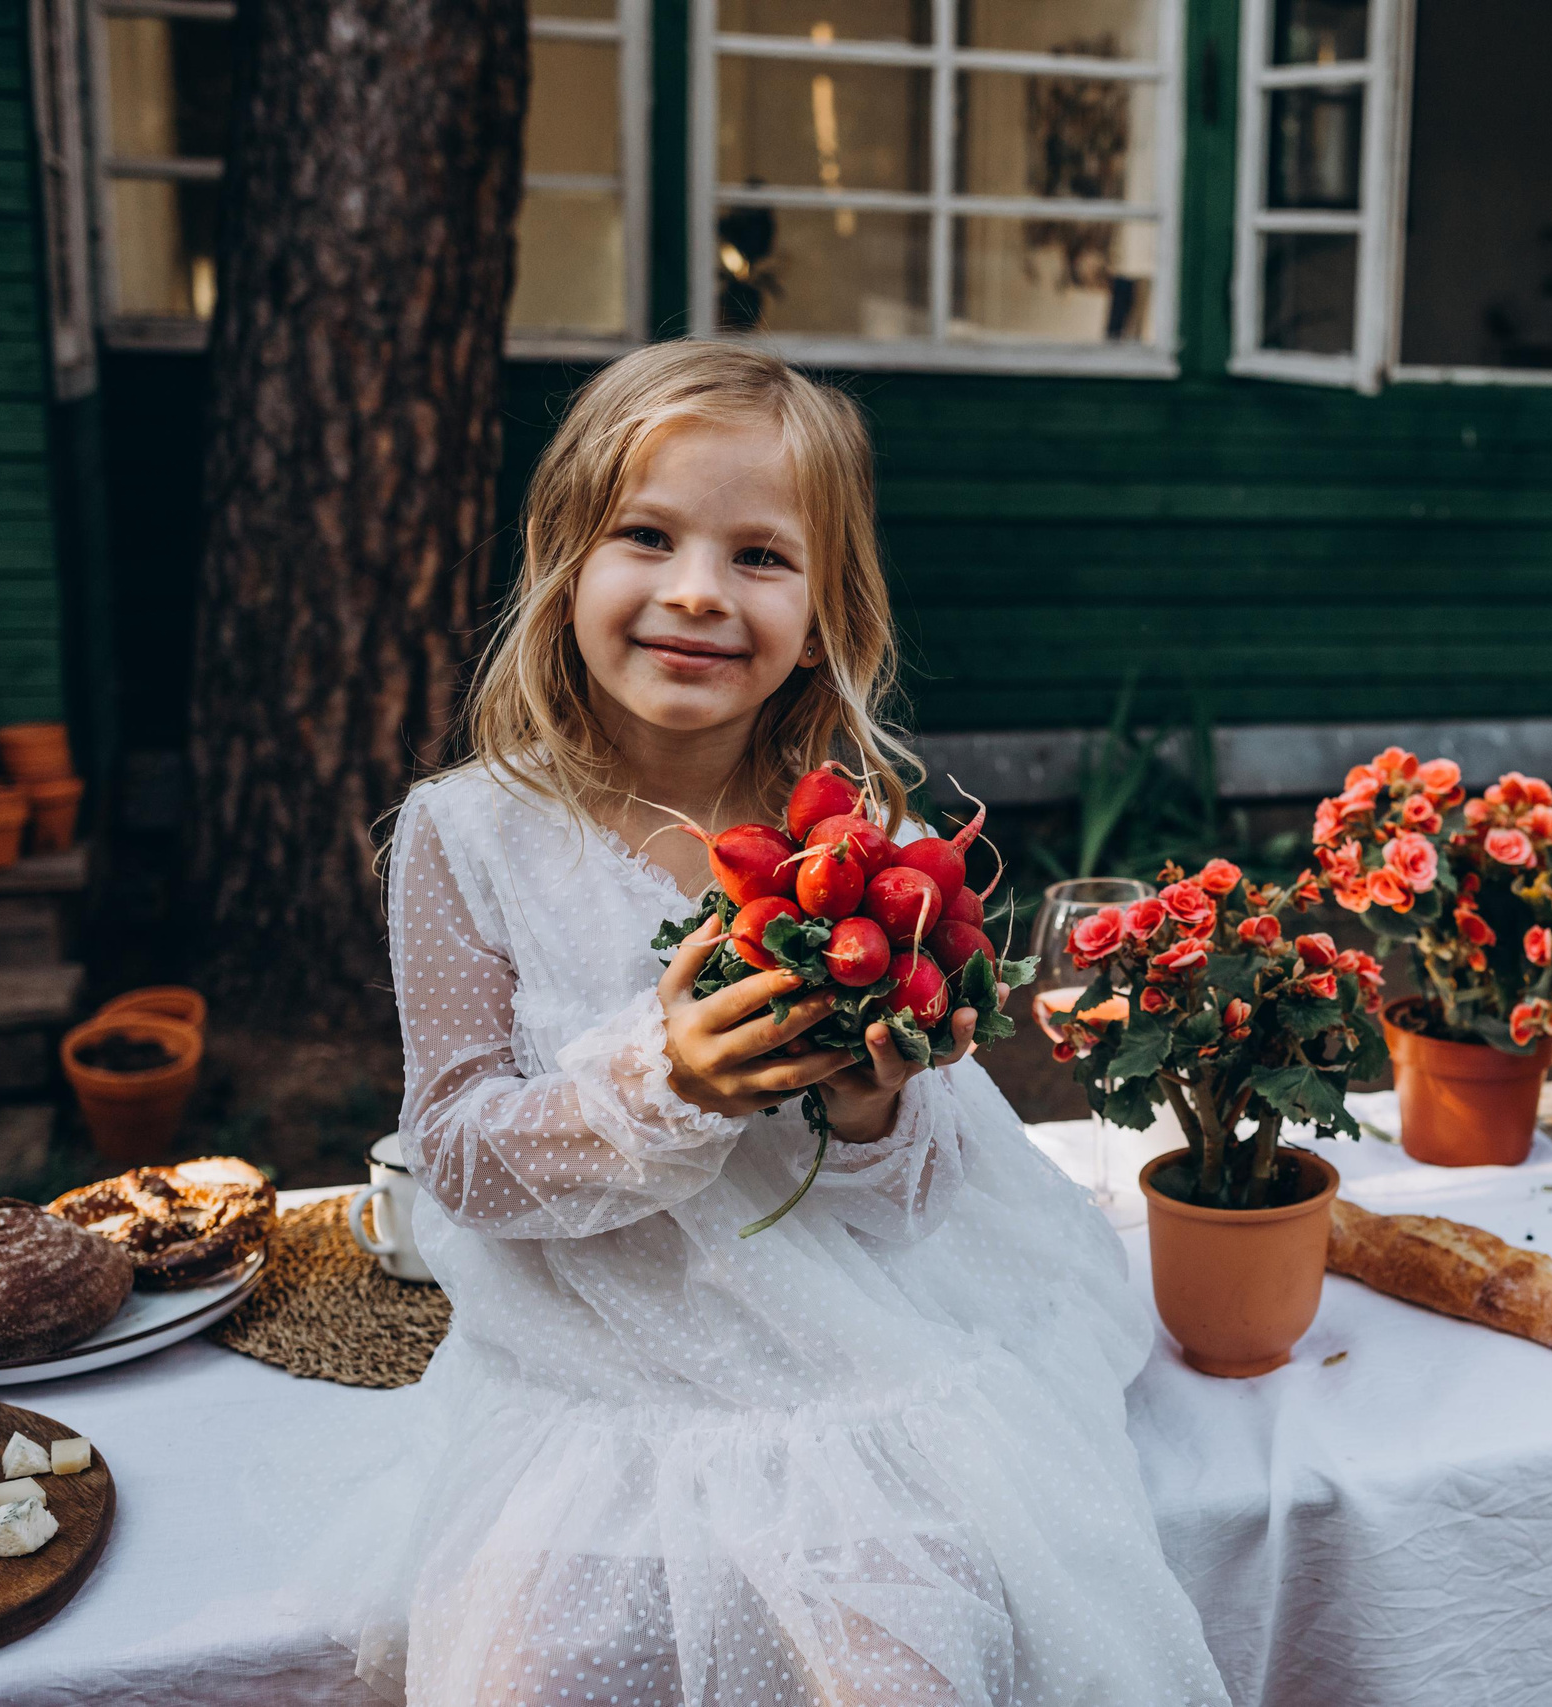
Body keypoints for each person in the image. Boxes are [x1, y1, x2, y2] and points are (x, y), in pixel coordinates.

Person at [337, 341, 1228, 1706]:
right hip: (597, 1361)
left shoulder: (869, 844)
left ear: (824, 611)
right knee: (527, 1670)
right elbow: (454, 1155)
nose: (697, 590)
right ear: (567, 560)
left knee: (901, 1665)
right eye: (647, 536)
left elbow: (915, 1188)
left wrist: (868, 1106)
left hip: (849, 1347)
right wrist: (663, 1082)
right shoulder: (468, 838)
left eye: (761, 556)